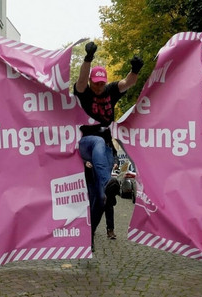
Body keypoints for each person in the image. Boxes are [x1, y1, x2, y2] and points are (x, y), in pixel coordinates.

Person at [74, 41, 143, 252]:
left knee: (101, 199)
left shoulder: (110, 90)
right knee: (96, 141)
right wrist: (88, 58)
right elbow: (80, 82)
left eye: (101, 83)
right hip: (87, 144)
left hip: (104, 149)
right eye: (96, 83)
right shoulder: (84, 93)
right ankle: (107, 182)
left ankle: (89, 235)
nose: (99, 86)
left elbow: (126, 83)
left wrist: (135, 70)